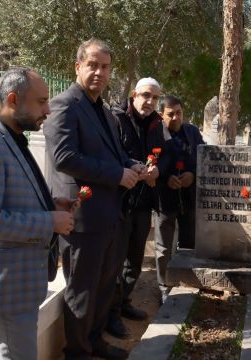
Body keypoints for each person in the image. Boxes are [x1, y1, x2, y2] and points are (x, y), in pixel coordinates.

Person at [0, 67, 76, 359]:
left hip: (18, 285)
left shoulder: (10, 137)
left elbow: (10, 199)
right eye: (41, 101)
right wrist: (49, 221)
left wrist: (50, 205)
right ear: (13, 99)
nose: (48, 109)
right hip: (2, 290)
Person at [44, 38, 145, 360]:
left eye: (105, 67)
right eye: (93, 65)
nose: (99, 72)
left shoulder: (103, 109)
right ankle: (77, 352)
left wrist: (133, 166)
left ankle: (95, 342)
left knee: (104, 287)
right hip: (82, 217)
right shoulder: (64, 105)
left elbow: (114, 155)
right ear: (78, 67)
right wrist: (117, 175)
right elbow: (64, 157)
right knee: (82, 291)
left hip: (110, 213)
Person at [106, 77, 162, 338]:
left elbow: (165, 152)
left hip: (143, 203)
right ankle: (111, 314)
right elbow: (113, 154)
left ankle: (123, 303)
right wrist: (136, 167)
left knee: (135, 262)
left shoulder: (156, 123)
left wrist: (158, 169)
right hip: (120, 202)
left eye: (154, 98)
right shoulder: (117, 119)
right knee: (116, 262)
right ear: (134, 96)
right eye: (145, 96)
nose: (149, 102)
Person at [148, 95, 205, 303]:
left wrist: (192, 173)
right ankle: (164, 285)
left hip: (189, 197)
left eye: (178, 113)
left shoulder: (192, 132)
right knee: (164, 247)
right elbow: (151, 162)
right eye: (170, 114)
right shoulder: (155, 135)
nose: (175, 117)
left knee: (189, 243)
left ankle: (187, 281)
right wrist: (164, 179)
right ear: (162, 115)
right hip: (165, 198)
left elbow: (202, 155)